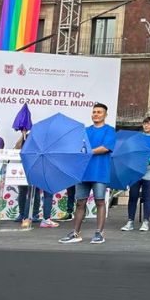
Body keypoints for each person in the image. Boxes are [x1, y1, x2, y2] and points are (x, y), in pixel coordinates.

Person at [58, 103, 116, 245]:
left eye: (99, 112)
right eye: (94, 112)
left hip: (100, 171)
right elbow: (77, 146)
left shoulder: (110, 130)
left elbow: (105, 148)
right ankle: (76, 233)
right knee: (80, 203)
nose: (96, 114)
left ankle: (99, 233)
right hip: (83, 172)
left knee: (100, 201)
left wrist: (87, 151)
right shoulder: (84, 131)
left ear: (105, 115)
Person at [121, 116, 150, 233]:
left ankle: (146, 222)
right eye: (145, 123)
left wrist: (149, 161)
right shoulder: (137, 137)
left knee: (147, 196)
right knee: (133, 195)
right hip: (135, 168)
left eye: (149, 124)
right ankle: (130, 221)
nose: (146, 126)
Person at [14, 128, 58, 229]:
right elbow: (18, 149)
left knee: (34, 194)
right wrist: (23, 136)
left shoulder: (32, 139)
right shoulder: (31, 138)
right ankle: (41, 219)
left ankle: (27, 219)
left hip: (41, 169)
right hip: (40, 169)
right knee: (41, 194)